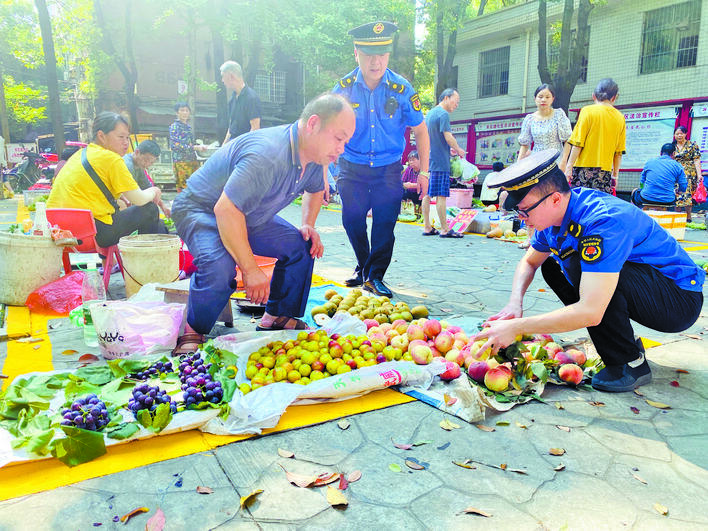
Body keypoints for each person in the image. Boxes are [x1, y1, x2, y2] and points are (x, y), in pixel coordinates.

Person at [477, 149, 704, 393]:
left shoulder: (601, 222)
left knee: (581, 266)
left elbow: (591, 311)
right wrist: (514, 303)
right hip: (650, 287)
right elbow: (529, 262)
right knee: (553, 266)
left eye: (525, 211)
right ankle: (621, 342)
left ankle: (631, 362)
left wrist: (517, 327)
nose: (522, 220)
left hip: (678, 301)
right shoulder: (554, 216)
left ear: (554, 199)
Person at [170, 93, 355, 352]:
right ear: (313, 124)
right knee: (221, 266)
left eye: (346, 141)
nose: (341, 149)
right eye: (338, 138)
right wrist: (250, 269)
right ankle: (193, 332)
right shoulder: (267, 155)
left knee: (302, 245)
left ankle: (277, 317)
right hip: (202, 209)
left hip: (248, 213)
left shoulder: (314, 157)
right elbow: (225, 209)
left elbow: (314, 191)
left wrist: (307, 224)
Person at [332, 21, 431, 297]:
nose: (375, 62)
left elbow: (421, 130)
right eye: (368, 54)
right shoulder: (343, 89)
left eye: (382, 54)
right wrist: (323, 170)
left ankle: (374, 276)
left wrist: (423, 172)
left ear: (388, 55)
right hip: (352, 165)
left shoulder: (402, 89)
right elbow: (327, 130)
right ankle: (364, 266)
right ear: (356, 53)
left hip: (388, 168)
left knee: (385, 223)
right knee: (352, 220)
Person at [47, 112, 163, 248]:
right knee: (149, 209)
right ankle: (146, 264)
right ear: (101, 136)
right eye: (120, 137)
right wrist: (154, 190)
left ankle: (111, 264)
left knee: (116, 207)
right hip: (91, 234)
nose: (126, 142)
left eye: (127, 138)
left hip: (57, 231)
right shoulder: (111, 159)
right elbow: (139, 199)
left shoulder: (80, 154)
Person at [517, 84, 573, 248]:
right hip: (534, 164)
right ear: (535, 98)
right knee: (532, 199)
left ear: (553, 99)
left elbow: (568, 140)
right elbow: (524, 144)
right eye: (540, 96)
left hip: (554, 162)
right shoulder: (529, 119)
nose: (543, 99)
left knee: (555, 198)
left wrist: (563, 162)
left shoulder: (559, 115)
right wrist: (518, 168)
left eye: (547, 96)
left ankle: (557, 239)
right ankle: (531, 239)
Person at [562, 78, 626, 195]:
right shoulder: (620, 117)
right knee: (599, 206)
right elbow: (618, 152)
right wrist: (615, 176)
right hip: (604, 173)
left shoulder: (587, 111)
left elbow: (577, 143)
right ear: (614, 97)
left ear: (593, 96)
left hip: (583, 170)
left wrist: (569, 167)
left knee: (581, 205)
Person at [425, 88, 466, 238]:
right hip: (440, 161)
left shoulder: (429, 113)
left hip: (429, 160)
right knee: (441, 195)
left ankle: (427, 227)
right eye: (456, 101)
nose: (456, 105)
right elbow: (448, 137)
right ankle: (445, 229)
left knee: (427, 195)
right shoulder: (443, 114)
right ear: (447, 98)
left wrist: (449, 149)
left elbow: (434, 139)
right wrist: (458, 149)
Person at [123, 140, 171, 219]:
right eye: (146, 160)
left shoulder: (139, 166)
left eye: (151, 162)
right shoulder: (127, 165)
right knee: (150, 209)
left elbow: (148, 187)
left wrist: (164, 208)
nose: (147, 165)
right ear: (137, 152)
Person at [630, 143, 686, 209]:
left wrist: (643, 189)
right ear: (674, 153)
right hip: (668, 201)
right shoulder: (678, 166)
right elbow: (683, 185)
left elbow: (642, 181)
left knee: (634, 191)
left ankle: (635, 214)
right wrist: (679, 191)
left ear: (660, 153)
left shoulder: (649, 162)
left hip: (646, 198)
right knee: (675, 194)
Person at [169, 102, 207, 192]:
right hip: (181, 161)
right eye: (182, 110)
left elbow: (191, 144)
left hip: (192, 160)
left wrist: (199, 146)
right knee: (184, 188)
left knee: (195, 185)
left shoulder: (188, 127)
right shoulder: (174, 127)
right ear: (177, 113)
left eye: (187, 110)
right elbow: (175, 146)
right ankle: (182, 205)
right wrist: (194, 148)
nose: (185, 113)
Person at [221, 61, 261, 145]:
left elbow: (255, 128)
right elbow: (231, 128)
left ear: (231, 76)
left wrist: (241, 148)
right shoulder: (232, 99)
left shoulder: (251, 98)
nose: (222, 81)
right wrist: (223, 147)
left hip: (245, 147)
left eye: (223, 76)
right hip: (233, 145)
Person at [672, 125, 703, 222]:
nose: (679, 136)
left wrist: (699, 175)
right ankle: (677, 216)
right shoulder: (672, 146)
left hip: (689, 174)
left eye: (681, 133)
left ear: (685, 134)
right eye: (677, 134)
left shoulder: (692, 145)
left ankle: (688, 217)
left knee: (687, 195)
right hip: (675, 174)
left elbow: (697, 160)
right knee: (676, 194)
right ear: (674, 135)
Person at [401, 150, 424, 216]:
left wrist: (411, 185)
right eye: (410, 160)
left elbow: (426, 184)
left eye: (413, 160)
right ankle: (403, 211)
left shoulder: (424, 170)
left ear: (420, 160)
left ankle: (420, 212)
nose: (411, 162)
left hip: (420, 193)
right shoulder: (409, 169)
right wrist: (404, 185)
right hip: (410, 193)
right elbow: (402, 181)